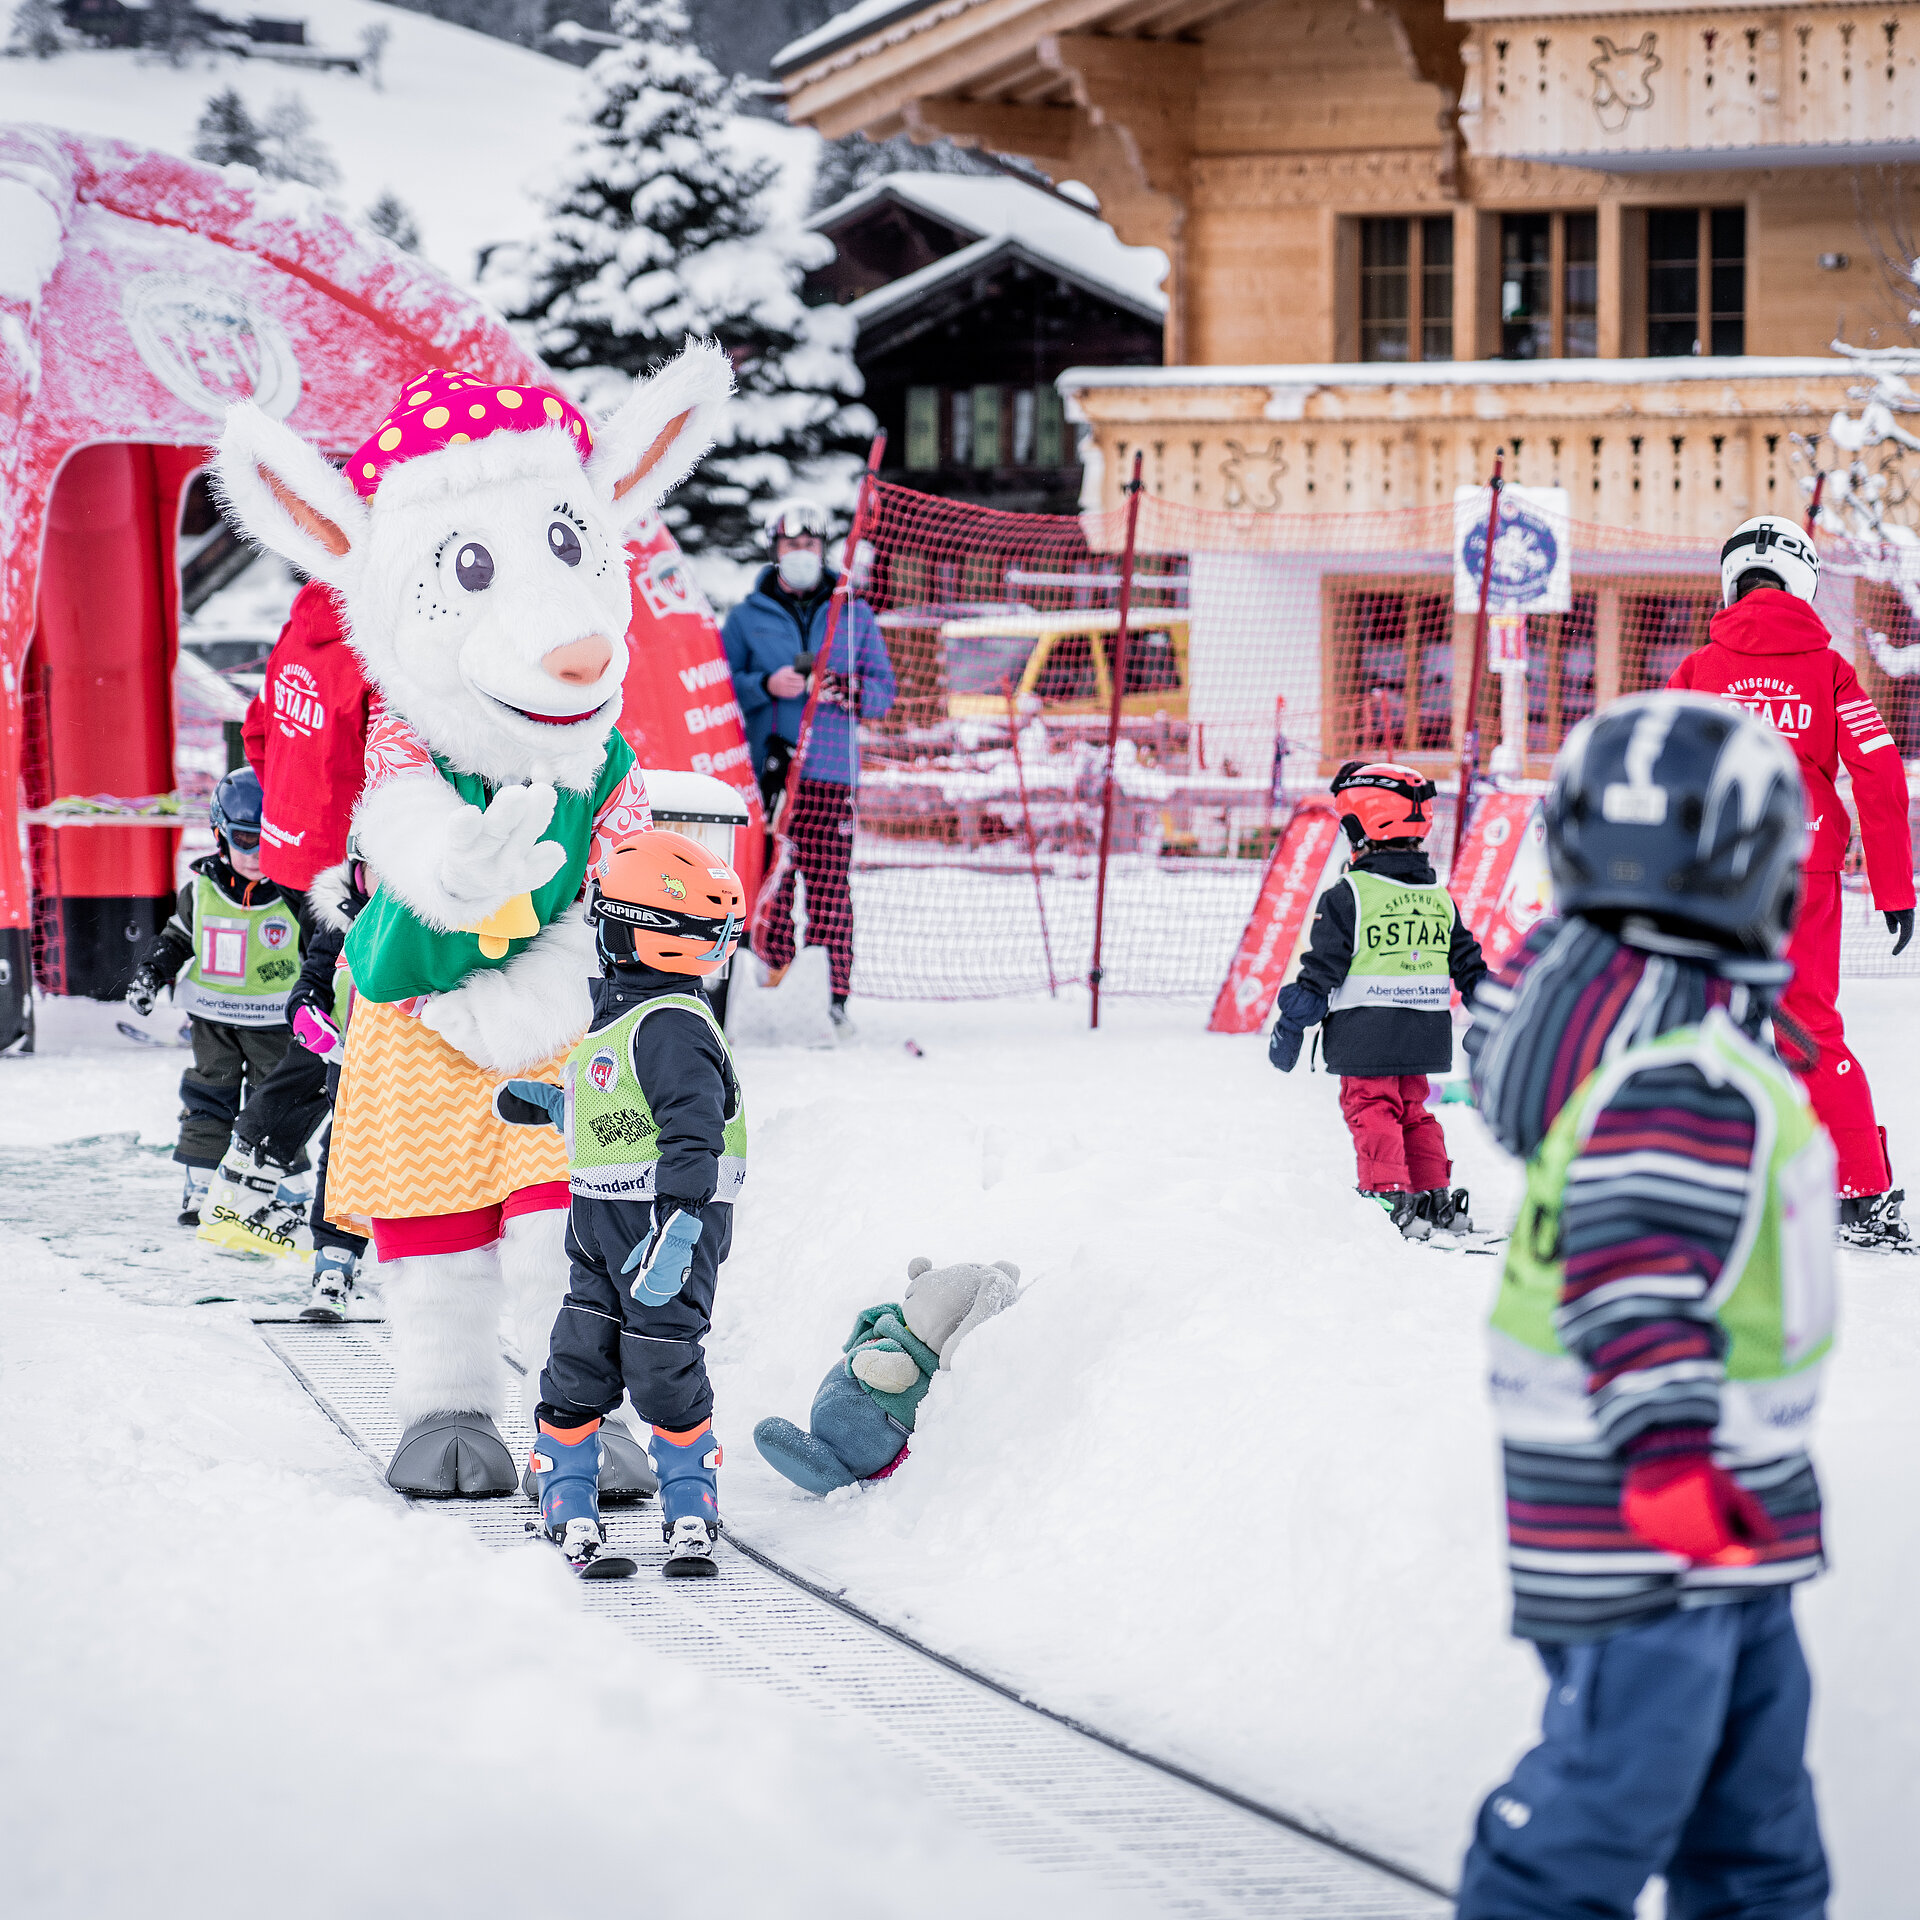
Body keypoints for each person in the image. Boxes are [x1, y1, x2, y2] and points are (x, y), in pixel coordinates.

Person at [1457, 692, 1832, 1919]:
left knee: (1754, 1813)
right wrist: (1670, 1458)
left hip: (1717, 1510)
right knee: (1608, 1801)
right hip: (1651, 1512)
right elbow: (1633, 1269)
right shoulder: (1684, 1076)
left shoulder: (1654, 1034)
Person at [496, 829, 747, 1579]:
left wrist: (680, 1220)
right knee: (577, 1362)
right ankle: (568, 1504)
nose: (595, 931)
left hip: (663, 1230)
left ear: (641, 935)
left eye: (603, 917)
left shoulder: (671, 1023)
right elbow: (621, 1110)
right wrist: (553, 1105)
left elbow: (691, 1127)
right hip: (603, 1228)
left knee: (660, 1362)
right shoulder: (629, 1014)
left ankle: (691, 1507)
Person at [1668, 514, 1916, 1250]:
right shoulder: (1830, 669)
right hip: (1803, 868)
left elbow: (1657, 764)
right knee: (1805, 1028)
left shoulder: (1699, 670)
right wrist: (1896, 887)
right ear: (1802, 579)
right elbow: (1879, 770)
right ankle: (1861, 1192)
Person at [1267, 761, 1487, 1238]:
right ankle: (1433, 1196)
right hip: (1423, 1033)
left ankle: (1387, 1191)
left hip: (1367, 1034)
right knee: (1413, 1109)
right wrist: (1492, 1012)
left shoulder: (1351, 894)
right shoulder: (1438, 896)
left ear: (1365, 827)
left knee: (1371, 1108)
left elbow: (1320, 972)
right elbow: (1470, 963)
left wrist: (1290, 1025)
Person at [236, 579, 378, 1280]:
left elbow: (257, 731)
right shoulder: (376, 650)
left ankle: (259, 1166)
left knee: (320, 1007)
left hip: (289, 851)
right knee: (339, 1025)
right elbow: (391, 771)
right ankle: (262, 1162)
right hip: (344, 868)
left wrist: (286, 803)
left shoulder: (297, 628)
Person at [722, 498, 895, 1028]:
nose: (803, 554)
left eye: (811, 546)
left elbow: (884, 693)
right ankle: (772, 981)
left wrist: (851, 690)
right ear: (776, 551)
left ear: (824, 550)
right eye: (792, 546)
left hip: (829, 773)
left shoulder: (853, 614)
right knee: (772, 882)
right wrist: (764, 685)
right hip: (771, 773)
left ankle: (831, 995)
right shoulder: (747, 618)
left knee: (829, 886)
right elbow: (720, 687)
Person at [125, 767, 309, 1245]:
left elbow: (320, 952)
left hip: (276, 1020)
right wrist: (151, 974)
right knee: (211, 1093)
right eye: (246, 840)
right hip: (213, 1018)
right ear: (221, 834)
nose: (256, 856)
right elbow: (175, 940)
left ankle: (280, 1177)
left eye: (269, 841)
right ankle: (201, 1177)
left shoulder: (295, 896)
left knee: (276, 1097)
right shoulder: (201, 891)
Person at [280, 847, 373, 1321]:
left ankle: (437, 1276)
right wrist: (305, 1013)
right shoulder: (339, 918)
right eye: (374, 870)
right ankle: (334, 1265)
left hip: (421, 1074)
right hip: (352, 1071)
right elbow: (312, 980)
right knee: (343, 1165)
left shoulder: (425, 915)